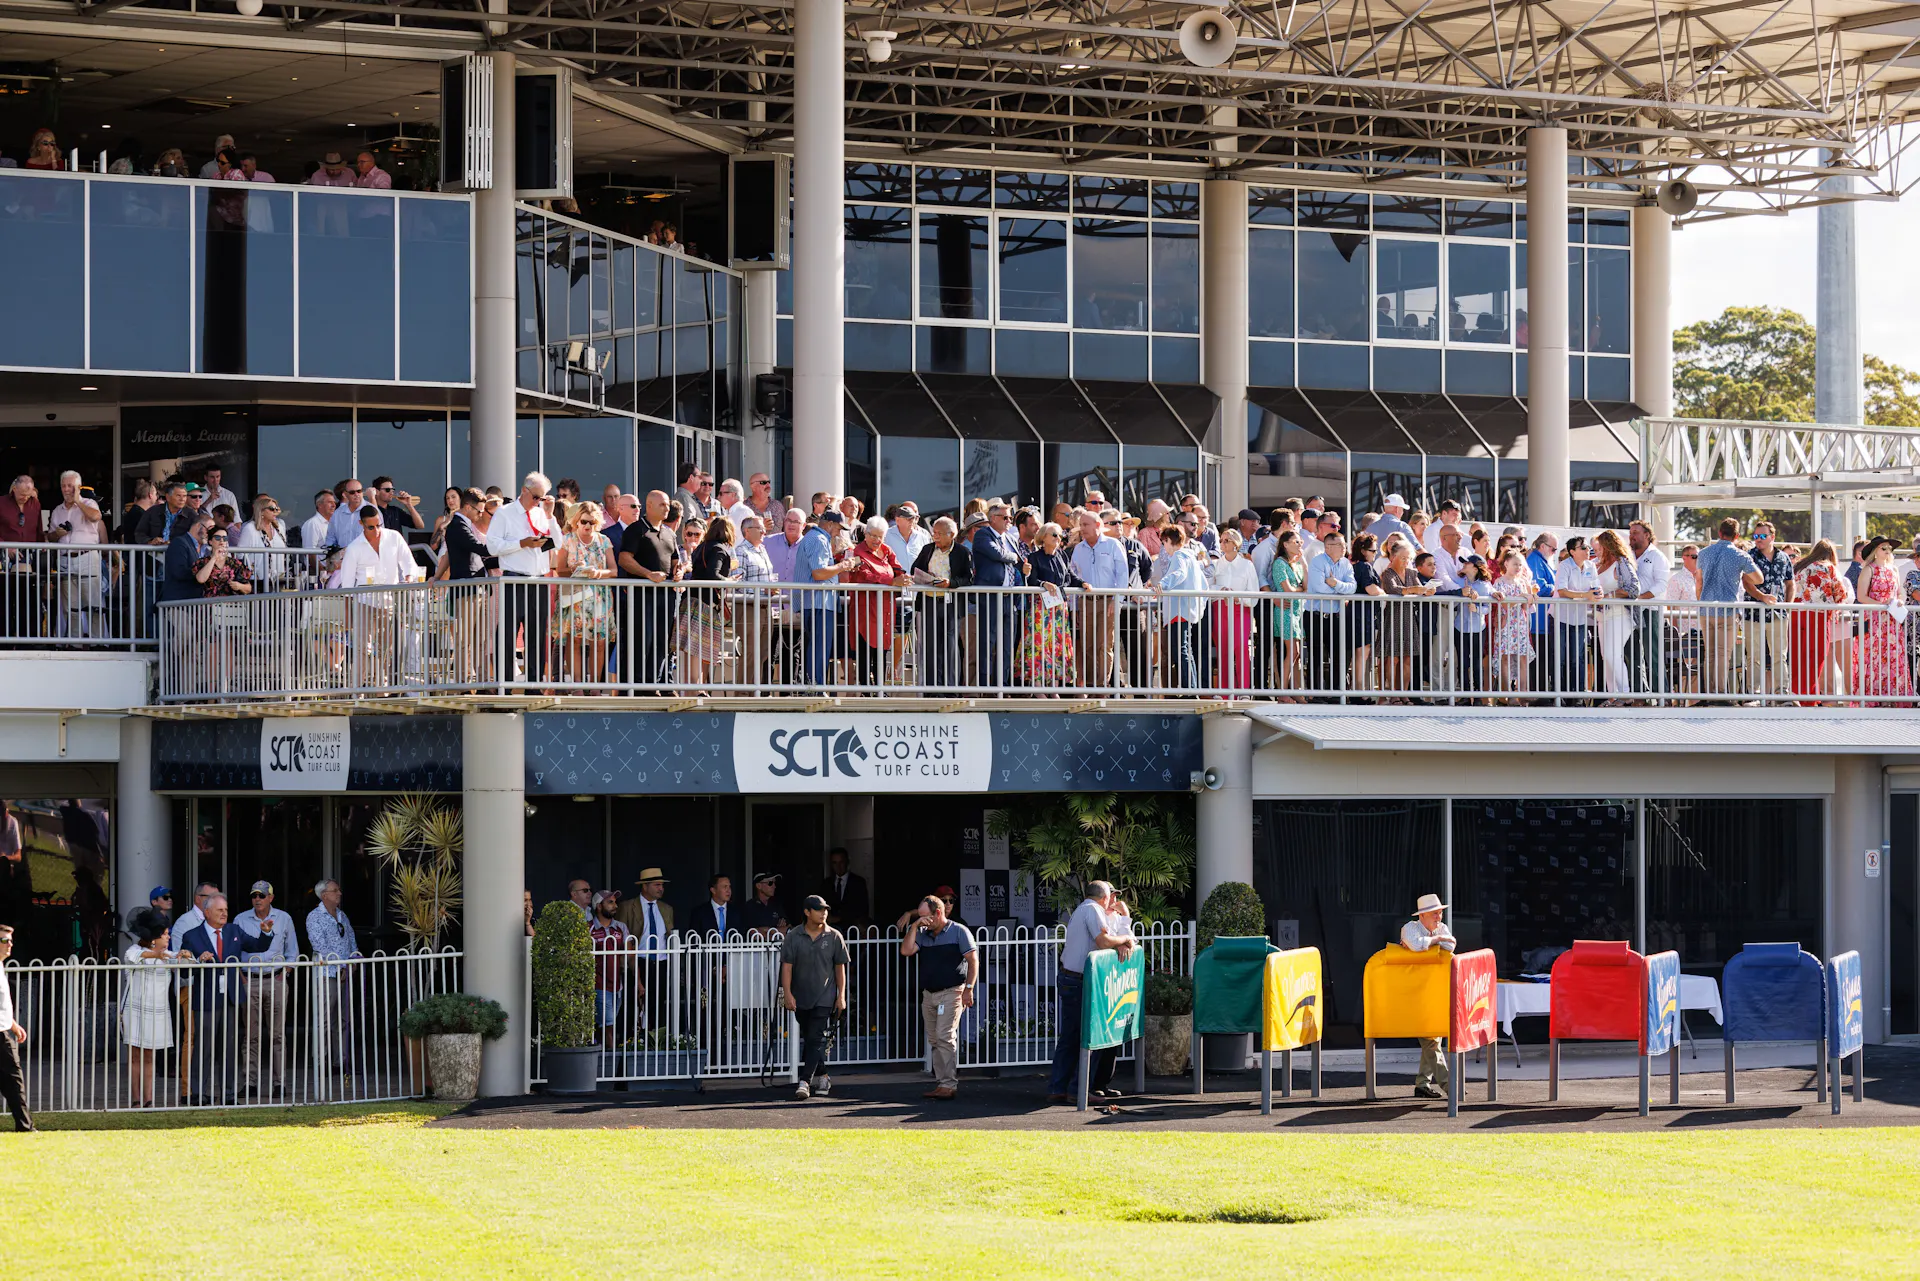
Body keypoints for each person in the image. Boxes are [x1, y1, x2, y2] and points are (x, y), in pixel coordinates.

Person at [177, 892, 275, 1105]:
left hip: (231, 997)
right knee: (203, 1048)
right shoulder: (192, 936)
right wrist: (197, 962)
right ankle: (196, 1094)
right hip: (205, 999)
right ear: (207, 912)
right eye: (220, 910)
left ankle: (229, 1094)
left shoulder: (233, 930)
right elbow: (184, 973)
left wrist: (267, 933)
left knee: (229, 1049)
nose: (224, 914)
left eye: (226, 910)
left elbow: (258, 946)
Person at [1046, 881, 1135, 1104]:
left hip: (1072, 977)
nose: (1114, 900)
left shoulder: (1085, 910)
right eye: (1112, 896)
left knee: (1071, 1036)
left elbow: (1112, 940)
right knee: (1089, 1035)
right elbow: (1104, 941)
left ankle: (1060, 1088)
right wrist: (1123, 939)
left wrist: (1123, 926)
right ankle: (1078, 1090)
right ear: (1105, 897)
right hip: (1080, 981)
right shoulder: (1092, 910)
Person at [900, 893, 977, 1100]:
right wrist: (915, 927)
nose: (923, 921)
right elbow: (906, 951)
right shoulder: (923, 934)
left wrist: (969, 989)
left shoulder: (959, 931)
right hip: (929, 994)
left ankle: (948, 1084)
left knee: (945, 1035)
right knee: (934, 1039)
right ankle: (942, 1082)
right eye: (921, 917)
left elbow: (973, 960)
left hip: (952, 992)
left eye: (926, 917)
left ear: (938, 912)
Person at [488, 472, 557, 688]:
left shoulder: (540, 514)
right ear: (524, 491)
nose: (538, 501)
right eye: (536, 496)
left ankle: (534, 686)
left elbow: (558, 543)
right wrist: (522, 543)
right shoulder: (505, 514)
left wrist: (550, 515)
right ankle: (505, 685)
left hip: (538, 580)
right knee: (507, 634)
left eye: (543, 498)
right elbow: (492, 546)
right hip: (514, 579)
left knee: (536, 636)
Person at [779, 894, 849, 1101]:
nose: (824, 913)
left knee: (815, 1037)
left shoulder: (834, 935)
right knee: (812, 1039)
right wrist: (788, 994)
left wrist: (841, 996)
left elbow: (840, 968)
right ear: (807, 912)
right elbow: (787, 968)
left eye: (825, 909)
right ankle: (824, 1075)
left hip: (825, 996)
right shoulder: (793, 936)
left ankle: (804, 1082)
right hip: (801, 997)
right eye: (819, 909)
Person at [233, 879, 298, 1098]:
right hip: (249, 981)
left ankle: (279, 1084)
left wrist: (284, 974)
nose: (257, 899)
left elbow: (293, 951)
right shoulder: (240, 919)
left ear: (271, 897)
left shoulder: (284, 918)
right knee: (250, 1036)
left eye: (262, 895)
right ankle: (250, 1083)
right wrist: (242, 979)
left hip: (276, 979)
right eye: (254, 896)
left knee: (278, 1035)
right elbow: (234, 953)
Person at [120, 909, 181, 1108]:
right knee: (135, 1055)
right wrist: (154, 954)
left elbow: (185, 960)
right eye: (165, 934)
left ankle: (149, 1099)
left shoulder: (168, 955)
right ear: (154, 938)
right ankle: (136, 1099)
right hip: (135, 1010)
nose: (168, 936)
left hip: (157, 1012)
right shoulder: (134, 950)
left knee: (149, 1056)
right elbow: (134, 957)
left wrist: (187, 955)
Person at [1696, 517, 1762, 698]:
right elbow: (1759, 579)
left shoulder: (1704, 553)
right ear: (1737, 535)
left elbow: (1699, 582)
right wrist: (1742, 574)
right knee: (1723, 654)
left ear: (1719, 533)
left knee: (1709, 653)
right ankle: (1720, 693)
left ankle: (1709, 693)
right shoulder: (1740, 555)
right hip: (1727, 609)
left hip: (1705, 608)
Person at [619, 491, 678, 692]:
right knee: (642, 639)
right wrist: (648, 574)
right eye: (662, 504)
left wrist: (681, 571)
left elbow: (675, 560)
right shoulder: (636, 530)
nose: (667, 508)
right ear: (649, 505)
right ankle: (638, 685)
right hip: (642, 594)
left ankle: (657, 683)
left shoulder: (670, 532)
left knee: (662, 641)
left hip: (666, 595)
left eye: (668, 505)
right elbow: (624, 559)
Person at [1399, 893, 1456, 1100]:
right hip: (1412, 992)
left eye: (1440, 913)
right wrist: (1438, 940)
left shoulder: (1440, 928)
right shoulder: (1410, 928)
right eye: (1435, 913)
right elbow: (1415, 944)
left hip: (1434, 990)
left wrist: (1433, 940)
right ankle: (1450, 1086)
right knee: (1430, 1040)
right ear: (1422, 915)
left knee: (1434, 1039)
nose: (1439, 917)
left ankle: (1422, 1084)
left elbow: (1451, 945)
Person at [554, 501, 616, 686]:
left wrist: (598, 573)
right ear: (576, 522)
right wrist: (574, 568)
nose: (588, 526)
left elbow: (613, 570)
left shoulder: (604, 540)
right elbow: (560, 569)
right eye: (584, 522)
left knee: (599, 643)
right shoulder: (568, 540)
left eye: (591, 522)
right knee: (575, 641)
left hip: (599, 597)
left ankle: (595, 686)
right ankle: (577, 685)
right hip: (575, 597)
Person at [306, 880, 359, 1094]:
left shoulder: (342, 915)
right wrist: (340, 965)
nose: (339, 893)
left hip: (345, 973)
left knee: (344, 1020)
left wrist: (353, 961)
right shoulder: (314, 916)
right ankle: (322, 1062)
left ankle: (341, 1061)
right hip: (328, 973)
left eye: (338, 889)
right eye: (335, 890)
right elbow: (319, 945)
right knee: (325, 1019)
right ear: (323, 895)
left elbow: (351, 940)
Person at [795, 510, 857, 689]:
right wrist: (842, 565)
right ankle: (816, 688)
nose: (839, 532)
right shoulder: (819, 539)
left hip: (814, 602)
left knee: (817, 647)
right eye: (838, 528)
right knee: (819, 648)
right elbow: (819, 572)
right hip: (818, 602)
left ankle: (814, 686)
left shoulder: (813, 537)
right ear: (829, 524)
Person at [911, 516, 973, 690]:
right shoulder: (927, 549)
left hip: (950, 604)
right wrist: (924, 577)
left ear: (951, 534)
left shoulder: (962, 552)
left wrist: (950, 583)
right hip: (929, 602)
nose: (935, 537)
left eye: (939, 533)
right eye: (934, 533)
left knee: (950, 646)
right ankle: (932, 689)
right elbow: (914, 570)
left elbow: (968, 579)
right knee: (930, 646)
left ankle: (950, 689)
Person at [972, 502, 1029, 689]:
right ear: (993, 518)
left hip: (1009, 598)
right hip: (990, 596)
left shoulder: (1010, 539)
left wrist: (1024, 568)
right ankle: (984, 686)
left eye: (1010, 518)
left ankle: (1002, 686)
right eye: (1005, 517)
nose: (1008, 521)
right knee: (987, 642)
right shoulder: (983, 534)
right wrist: (1013, 558)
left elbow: (1020, 563)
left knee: (1006, 646)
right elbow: (997, 554)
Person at [1853, 537, 1913, 703]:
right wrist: (1881, 604)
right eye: (1883, 548)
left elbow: (1899, 593)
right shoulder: (1868, 570)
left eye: (1889, 548)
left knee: (1893, 657)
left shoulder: (1893, 569)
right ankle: (1873, 697)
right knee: (1875, 657)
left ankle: (1893, 697)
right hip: (1874, 621)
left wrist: (1899, 600)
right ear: (1875, 551)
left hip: (1892, 621)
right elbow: (1861, 596)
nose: (1887, 551)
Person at [1792, 539, 1852, 704]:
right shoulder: (1829, 567)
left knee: (1798, 657)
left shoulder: (1799, 566)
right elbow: (1841, 594)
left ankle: (1795, 694)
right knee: (1815, 657)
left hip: (1795, 615)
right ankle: (1809, 698)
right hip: (1818, 616)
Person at [1018, 521, 1077, 689]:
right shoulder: (1035, 557)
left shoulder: (1062, 555)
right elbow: (1032, 579)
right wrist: (1044, 584)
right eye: (1054, 535)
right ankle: (1038, 686)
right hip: (1040, 610)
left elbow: (1070, 577)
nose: (1058, 538)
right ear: (1043, 537)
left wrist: (1084, 584)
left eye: (1060, 535)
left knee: (1057, 646)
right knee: (1039, 646)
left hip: (1059, 608)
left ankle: (1054, 687)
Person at [1745, 521, 1796, 700]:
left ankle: (1782, 694)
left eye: (1762, 536)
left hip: (1778, 614)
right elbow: (1746, 582)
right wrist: (1761, 597)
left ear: (1772, 537)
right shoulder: (1749, 556)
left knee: (1779, 656)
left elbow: (1790, 583)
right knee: (1754, 656)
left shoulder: (1784, 557)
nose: (1758, 540)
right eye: (1756, 536)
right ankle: (1753, 695)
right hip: (1754, 615)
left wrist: (1787, 607)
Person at [1591, 530, 1641, 702]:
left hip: (1620, 614)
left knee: (1612, 655)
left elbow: (1634, 589)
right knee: (1607, 657)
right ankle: (1613, 696)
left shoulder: (1621, 563)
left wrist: (1609, 595)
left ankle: (1625, 694)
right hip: (1601, 616)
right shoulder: (1598, 565)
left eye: (1599, 548)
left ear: (1607, 546)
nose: (1597, 551)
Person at [1153, 525, 1205, 690]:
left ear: (1168, 540)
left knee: (1181, 649)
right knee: (1185, 648)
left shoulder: (1178, 556)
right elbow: (1203, 584)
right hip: (1188, 608)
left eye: (1164, 543)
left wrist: (1163, 583)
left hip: (1179, 609)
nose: (1164, 547)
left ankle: (1189, 688)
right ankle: (1192, 687)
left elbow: (1179, 573)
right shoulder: (1191, 557)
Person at [1210, 527, 1260, 693]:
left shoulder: (1247, 565)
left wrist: (1240, 598)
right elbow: (1207, 587)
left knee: (1241, 649)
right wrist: (1221, 590)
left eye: (1226, 541)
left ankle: (1243, 690)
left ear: (1235, 544)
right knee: (1223, 650)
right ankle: (1224, 691)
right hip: (1220, 609)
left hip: (1240, 610)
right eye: (1221, 540)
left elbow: (1253, 593)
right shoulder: (1216, 564)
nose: (1222, 544)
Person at [1551, 536, 1600, 703]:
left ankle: (1578, 697)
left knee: (1577, 658)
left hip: (1579, 618)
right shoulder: (1564, 566)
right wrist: (1585, 595)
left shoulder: (1591, 566)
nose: (1587, 550)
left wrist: (1597, 593)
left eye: (1587, 547)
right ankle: (1561, 696)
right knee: (1562, 657)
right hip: (1561, 617)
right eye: (1583, 547)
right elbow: (1563, 591)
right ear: (1572, 552)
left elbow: (1595, 587)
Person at [589, 891, 637, 1049]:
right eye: (610, 902)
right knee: (608, 1025)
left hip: (617, 985)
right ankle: (613, 1066)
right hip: (598, 985)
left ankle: (602, 1058)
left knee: (607, 1024)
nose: (615, 906)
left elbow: (630, 956)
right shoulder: (588, 929)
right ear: (598, 906)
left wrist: (639, 983)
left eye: (615, 902)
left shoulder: (621, 928)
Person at [1490, 550, 1538, 701]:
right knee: (1505, 657)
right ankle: (1509, 695)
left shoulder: (1523, 582)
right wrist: (1521, 597)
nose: (1518, 567)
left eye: (1520, 564)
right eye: (1515, 564)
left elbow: (1527, 606)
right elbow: (1505, 605)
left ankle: (1522, 692)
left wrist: (1529, 595)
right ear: (1506, 564)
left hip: (1520, 623)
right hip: (1506, 623)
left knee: (1522, 657)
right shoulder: (1499, 582)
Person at [0, 923, 31, 1130]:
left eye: (11, 940)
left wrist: (13, 1024)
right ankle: (25, 1126)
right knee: (14, 1079)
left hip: (3, 1028)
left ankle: (25, 1125)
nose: (10, 944)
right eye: (5, 940)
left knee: (12, 1081)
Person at [816, 848, 870, 928]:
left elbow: (862, 908)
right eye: (835, 863)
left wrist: (840, 918)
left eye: (841, 862)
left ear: (847, 862)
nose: (838, 866)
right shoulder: (826, 883)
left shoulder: (858, 882)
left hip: (852, 930)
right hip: (830, 930)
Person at [737, 871, 787, 935]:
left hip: (777, 945)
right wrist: (777, 931)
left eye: (775, 883)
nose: (774, 886)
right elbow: (754, 933)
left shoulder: (776, 905)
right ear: (758, 886)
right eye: (770, 883)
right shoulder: (749, 906)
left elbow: (789, 929)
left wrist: (766, 929)